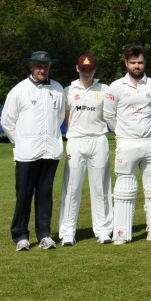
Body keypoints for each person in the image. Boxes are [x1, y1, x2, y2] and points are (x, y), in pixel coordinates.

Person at [102, 44, 151, 244]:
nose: (137, 66)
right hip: (126, 144)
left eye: (140, 62)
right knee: (124, 189)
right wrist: (123, 134)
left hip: (150, 142)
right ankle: (121, 234)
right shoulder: (116, 87)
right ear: (126, 63)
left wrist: (147, 130)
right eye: (133, 62)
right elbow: (108, 115)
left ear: (145, 63)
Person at [1, 49, 66, 251]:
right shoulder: (19, 90)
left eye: (45, 66)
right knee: (24, 194)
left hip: (50, 151)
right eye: (38, 66)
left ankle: (45, 234)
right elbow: (7, 122)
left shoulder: (57, 89)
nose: (42, 69)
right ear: (31, 67)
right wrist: (19, 142)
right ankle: (20, 235)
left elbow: (60, 117)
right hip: (26, 153)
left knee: (45, 194)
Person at [58, 53, 112, 245]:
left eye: (90, 69)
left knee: (101, 187)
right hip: (76, 140)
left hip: (98, 139)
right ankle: (67, 232)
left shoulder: (104, 89)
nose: (86, 72)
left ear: (95, 70)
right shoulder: (68, 90)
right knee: (72, 187)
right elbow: (66, 117)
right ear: (77, 68)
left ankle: (103, 230)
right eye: (83, 69)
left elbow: (110, 114)